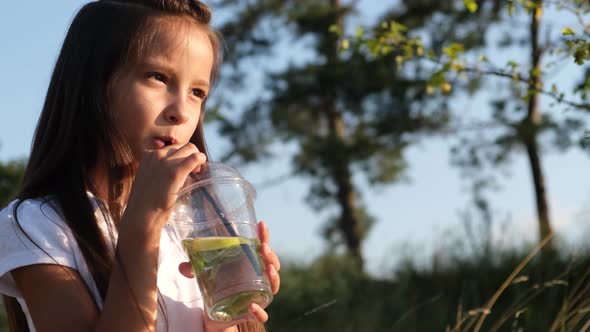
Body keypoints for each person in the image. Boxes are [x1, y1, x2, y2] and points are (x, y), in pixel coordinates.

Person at [0, 1, 281, 331]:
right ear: (95, 82)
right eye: (158, 77)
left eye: (197, 92)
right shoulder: (37, 226)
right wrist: (143, 223)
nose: (181, 111)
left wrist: (224, 317)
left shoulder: (194, 227)